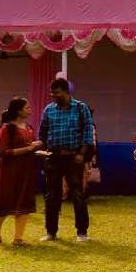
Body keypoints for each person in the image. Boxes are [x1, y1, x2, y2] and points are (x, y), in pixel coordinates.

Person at [38, 78, 94, 242]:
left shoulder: (80, 108)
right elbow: (42, 133)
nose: (53, 96)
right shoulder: (49, 110)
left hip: (74, 157)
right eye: (52, 93)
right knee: (52, 195)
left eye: (56, 92)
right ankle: (51, 232)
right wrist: (44, 150)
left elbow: (88, 133)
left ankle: (82, 232)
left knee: (77, 194)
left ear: (66, 92)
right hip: (54, 157)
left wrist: (82, 154)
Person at [0, 98, 42, 244]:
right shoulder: (7, 128)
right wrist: (29, 148)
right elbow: (5, 152)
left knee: (24, 201)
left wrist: (36, 147)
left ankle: (18, 238)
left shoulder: (29, 127)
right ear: (18, 110)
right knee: (5, 200)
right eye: (27, 108)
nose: (30, 110)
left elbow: (29, 145)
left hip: (27, 170)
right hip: (9, 170)